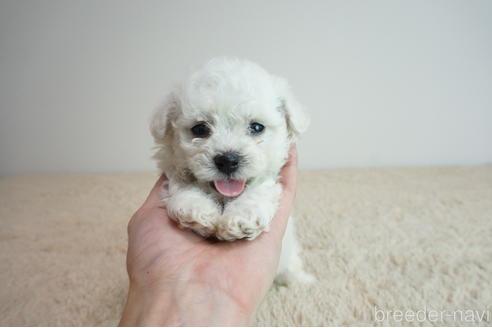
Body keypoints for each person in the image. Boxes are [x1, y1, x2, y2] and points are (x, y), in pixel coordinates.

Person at [119, 146, 299, 326]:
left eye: (256, 128)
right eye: (201, 129)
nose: (228, 155)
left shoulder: (265, 190)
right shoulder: (183, 193)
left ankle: (291, 267)